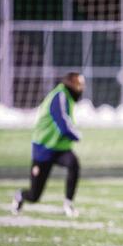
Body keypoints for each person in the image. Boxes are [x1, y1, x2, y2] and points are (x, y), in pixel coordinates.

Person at [12, 73, 84, 217]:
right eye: (79, 85)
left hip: (59, 148)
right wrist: (76, 135)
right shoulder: (60, 96)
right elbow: (62, 122)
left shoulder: (68, 97)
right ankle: (20, 195)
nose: (81, 88)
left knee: (73, 164)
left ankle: (68, 204)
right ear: (71, 84)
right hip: (43, 149)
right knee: (34, 195)